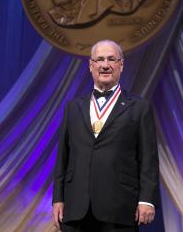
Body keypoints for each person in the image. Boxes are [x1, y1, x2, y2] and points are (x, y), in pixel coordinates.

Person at [52, 40, 159, 232]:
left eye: (111, 59)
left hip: (120, 209)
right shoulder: (73, 107)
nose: (105, 65)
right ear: (91, 66)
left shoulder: (139, 107)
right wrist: (58, 198)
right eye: (99, 59)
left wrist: (147, 200)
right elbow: (63, 157)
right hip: (76, 208)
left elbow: (148, 159)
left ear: (121, 65)